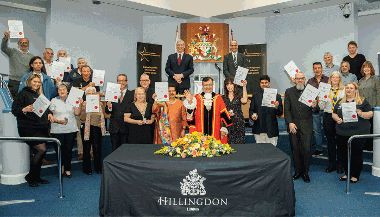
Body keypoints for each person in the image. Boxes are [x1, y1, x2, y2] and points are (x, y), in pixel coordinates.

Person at [12, 74, 54, 187]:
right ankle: (30, 176)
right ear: (29, 82)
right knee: (41, 150)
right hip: (28, 128)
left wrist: (50, 113)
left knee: (40, 152)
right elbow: (14, 110)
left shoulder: (39, 95)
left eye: (38, 82)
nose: (36, 84)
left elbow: (46, 108)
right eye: (34, 81)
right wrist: (24, 109)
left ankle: (36, 177)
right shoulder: (22, 94)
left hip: (41, 128)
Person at [332, 82, 373, 183]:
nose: (349, 90)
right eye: (347, 88)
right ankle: (347, 173)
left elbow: (371, 113)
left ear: (356, 90)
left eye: (351, 88)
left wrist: (361, 113)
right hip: (342, 133)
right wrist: (337, 119)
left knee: (356, 154)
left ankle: (355, 175)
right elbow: (333, 113)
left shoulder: (362, 101)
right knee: (343, 154)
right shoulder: (340, 101)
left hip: (358, 133)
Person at [284, 72, 318, 183]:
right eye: (297, 78)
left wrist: (314, 106)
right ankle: (297, 172)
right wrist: (289, 122)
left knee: (306, 150)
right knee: (295, 149)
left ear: (304, 79)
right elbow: (287, 110)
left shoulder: (311, 91)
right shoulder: (289, 91)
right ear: (294, 80)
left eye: (301, 78)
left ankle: (305, 173)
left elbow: (316, 110)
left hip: (306, 125)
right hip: (293, 125)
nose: (299, 80)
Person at [183, 77, 232, 143]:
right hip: (200, 132)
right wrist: (189, 102)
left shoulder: (218, 98)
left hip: (215, 133)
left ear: (213, 85)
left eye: (210, 85)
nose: (208, 87)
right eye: (206, 85)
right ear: (202, 86)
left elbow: (224, 115)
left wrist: (224, 128)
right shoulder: (196, 98)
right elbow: (190, 116)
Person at [49, 83, 82, 178]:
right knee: (59, 150)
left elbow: (77, 113)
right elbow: (51, 115)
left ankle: (67, 169)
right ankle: (61, 168)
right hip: (57, 129)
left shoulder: (72, 99)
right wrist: (59, 121)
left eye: (64, 89)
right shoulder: (54, 100)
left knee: (68, 150)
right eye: (60, 89)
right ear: (57, 91)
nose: (62, 91)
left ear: (67, 91)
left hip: (71, 129)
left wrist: (79, 103)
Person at [318, 71, 345, 174]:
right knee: (330, 142)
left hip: (339, 117)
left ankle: (340, 165)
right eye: (333, 77)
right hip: (328, 116)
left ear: (339, 79)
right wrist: (321, 100)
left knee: (340, 142)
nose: (335, 79)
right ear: (330, 78)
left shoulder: (343, 90)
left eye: (337, 77)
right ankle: (332, 164)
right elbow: (321, 107)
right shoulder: (325, 89)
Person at [72, 65, 98, 160]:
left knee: (91, 131)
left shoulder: (95, 82)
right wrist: (88, 86)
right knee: (79, 132)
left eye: (88, 71)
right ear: (81, 72)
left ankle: (91, 152)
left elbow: (97, 95)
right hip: (80, 109)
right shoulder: (77, 81)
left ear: (90, 72)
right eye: (84, 71)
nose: (86, 73)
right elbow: (74, 93)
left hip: (92, 110)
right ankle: (81, 152)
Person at [249, 75, 283, 146]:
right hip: (259, 129)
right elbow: (251, 110)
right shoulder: (255, 96)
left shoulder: (277, 96)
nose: (264, 84)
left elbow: (280, 113)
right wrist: (252, 116)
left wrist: (277, 107)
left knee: (272, 154)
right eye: (262, 83)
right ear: (260, 84)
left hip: (272, 130)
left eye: (266, 82)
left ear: (269, 84)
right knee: (260, 153)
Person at [80, 87, 106, 175]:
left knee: (97, 149)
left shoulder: (100, 104)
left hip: (97, 128)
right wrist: (83, 107)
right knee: (86, 149)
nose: (91, 95)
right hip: (86, 128)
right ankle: (86, 168)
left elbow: (103, 116)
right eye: (89, 93)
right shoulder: (83, 104)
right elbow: (82, 118)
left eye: (92, 93)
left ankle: (98, 168)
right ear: (86, 95)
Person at [1, 31, 34, 98]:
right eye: (22, 42)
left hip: (26, 83)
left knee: (26, 104)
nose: (23, 44)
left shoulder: (32, 56)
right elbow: (3, 48)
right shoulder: (13, 52)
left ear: (28, 44)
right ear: (18, 43)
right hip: (14, 83)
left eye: (25, 43)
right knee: (15, 104)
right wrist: (6, 37)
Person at [105, 74, 133, 151]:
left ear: (126, 82)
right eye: (119, 80)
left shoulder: (132, 94)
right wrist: (109, 107)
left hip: (127, 128)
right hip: (114, 128)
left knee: (126, 151)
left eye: (123, 80)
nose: (121, 82)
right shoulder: (111, 94)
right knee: (115, 151)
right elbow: (107, 111)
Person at [306, 62, 329, 156]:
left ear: (322, 68)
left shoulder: (328, 79)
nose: (317, 70)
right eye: (315, 68)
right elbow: (307, 95)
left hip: (327, 108)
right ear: (313, 70)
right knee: (316, 130)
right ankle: (319, 148)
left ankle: (329, 148)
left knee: (328, 130)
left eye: (319, 68)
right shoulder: (310, 81)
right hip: (315, 110)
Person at [358, 61, 380, 151]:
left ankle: (371, 146)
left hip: (373, 107)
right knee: (364, 127)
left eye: (368, 67)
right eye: (364, 67)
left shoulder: (376, 79)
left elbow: (379, 93)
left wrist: (378, 108)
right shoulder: (361, 80)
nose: (366, 69)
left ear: (371, 69)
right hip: (363, 108)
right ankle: (365, 145)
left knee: (372, 128)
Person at [222, 77, 248, 144]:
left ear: (234, 85)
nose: (229, 86)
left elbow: (244, 100)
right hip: (227, 123)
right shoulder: (223, 97)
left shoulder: (239, 95)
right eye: (227, 84)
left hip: (238, 123)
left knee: (240, 144)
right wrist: (227, 113)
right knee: (228, 144)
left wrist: (244, 86)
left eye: (231, 84)